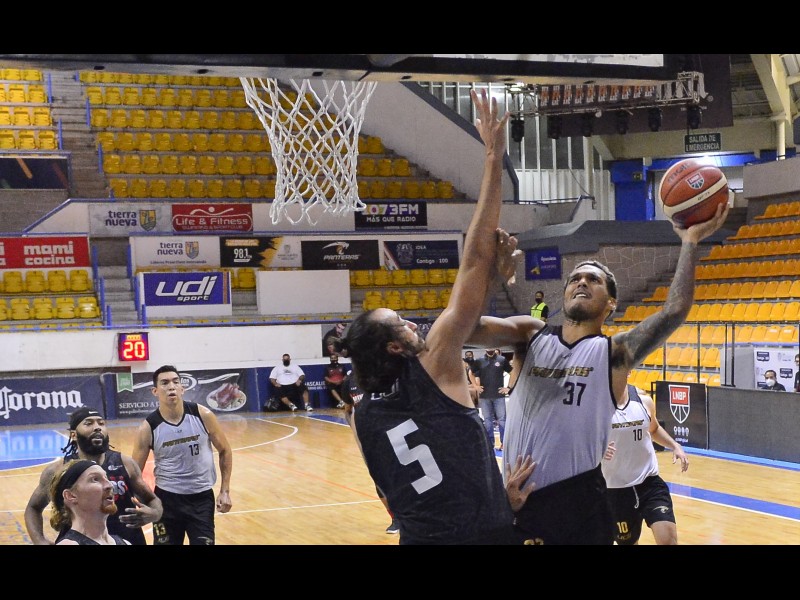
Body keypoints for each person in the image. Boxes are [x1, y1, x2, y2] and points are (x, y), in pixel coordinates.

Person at [332, 89, 536, 545]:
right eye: (401, 322)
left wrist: (491, 498)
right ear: (394, 346)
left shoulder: (364, 416)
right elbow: (474, 259)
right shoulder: (434, 364)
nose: (413, 323)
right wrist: (493, 159)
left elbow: (398, 491)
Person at [468, 202, 729, 544]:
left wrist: (690, 242)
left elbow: (674, 311)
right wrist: (491, 277)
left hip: (582, 503)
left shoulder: (613, 353)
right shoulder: (530, 334)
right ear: (564, 292)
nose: (582, 282)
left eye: (594, 279)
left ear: (611, 303)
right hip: (521, 501)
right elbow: (466, 327)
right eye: (575, 278)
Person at [25, 407, 162, 546]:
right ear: (73, 434)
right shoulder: (59, 470)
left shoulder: (125, 463)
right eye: (88, 423)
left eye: (101, 423)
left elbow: (152, 500)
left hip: (126, 540)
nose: (97, 427)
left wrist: (154, 513)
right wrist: (39, 540)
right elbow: (33, 508)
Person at [132, 365, 233, 545]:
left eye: (175, 382)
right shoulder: (147, 428)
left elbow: (225, 450)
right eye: (164, 383)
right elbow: (134, 472)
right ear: (155, 391)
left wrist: (225, 491)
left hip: (201, 499)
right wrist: (142, 501)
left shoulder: (203, 415)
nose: (171, 386)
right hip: (165, 501)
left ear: (182, 388)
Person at [602, 383, 688, 545]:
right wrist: (598, 449)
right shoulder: (597, 405)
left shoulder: (643, 400)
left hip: (650, 483)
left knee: (668, 541)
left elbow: (654, 429)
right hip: (617, 490)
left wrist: (674, 445)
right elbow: (580, 440)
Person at [48, 459, 130, 545]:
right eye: (95, 479)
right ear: (70, 496)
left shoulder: (125, 543)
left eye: (106, 478)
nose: (110, 485)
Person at [470, 347, 513, 450]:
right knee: (488, 421)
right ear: (485, 348)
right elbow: (471, 373)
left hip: (499, 396)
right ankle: (490, 444)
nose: (490, 348)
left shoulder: (502, 359)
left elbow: (512, 372)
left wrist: (508, 387)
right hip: (484, 396)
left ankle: (504, 443)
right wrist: (475, 386)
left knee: (502, 420)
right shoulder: (479, 361)